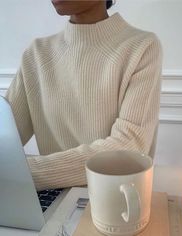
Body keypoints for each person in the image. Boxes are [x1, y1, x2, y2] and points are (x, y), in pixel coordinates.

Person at [6, 0, 163, 191]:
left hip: (115, 204)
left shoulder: (141, 47)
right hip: (49, 197)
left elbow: (128, 148)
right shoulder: (37, 54)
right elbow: (5, 137)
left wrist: (21, 174)